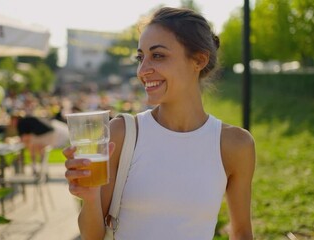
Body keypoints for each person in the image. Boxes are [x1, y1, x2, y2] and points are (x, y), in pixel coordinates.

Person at [63, 7, 256, 240]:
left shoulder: (235, 145)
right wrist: (90, 196)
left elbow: (242, 232)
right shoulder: (122, 134)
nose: (142, 70)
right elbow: (91, 236)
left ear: (199, 60)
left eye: (158, 55)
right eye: (140, 57)